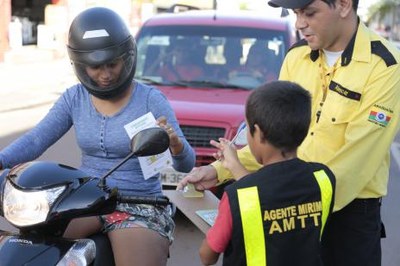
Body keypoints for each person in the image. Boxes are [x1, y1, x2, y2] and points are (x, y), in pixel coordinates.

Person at [179, 1, 400, 265]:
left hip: (345, 218)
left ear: (342, 5)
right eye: (296, 14)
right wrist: (219, 170)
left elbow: (357, 160)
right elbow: (274, 138)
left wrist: (270, 197)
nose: (299, 24)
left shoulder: (384, 66)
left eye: (309, 13)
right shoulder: (296, 57)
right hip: (288, 208)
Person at [0, 7, 196, 266]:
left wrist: (176, 145)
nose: (105, 74)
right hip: (84, 201)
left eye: (112, 64)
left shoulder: (150, 100)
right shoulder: (74, 98)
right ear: (80, 65)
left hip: (139, 204)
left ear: (126, 58)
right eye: (95, 67)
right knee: (35, 249)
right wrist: (2, 159)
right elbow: (36, 140)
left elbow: (186, 165)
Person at [199, 81, 336, 266]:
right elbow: (275, 194)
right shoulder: (323, 178)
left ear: (258, 133)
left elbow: (207, 256)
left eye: (247, 128)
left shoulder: (237, 195)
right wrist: (234, 165)